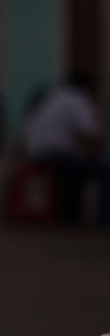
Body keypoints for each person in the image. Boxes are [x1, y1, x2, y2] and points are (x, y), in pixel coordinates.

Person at [21, 71, 103, 226]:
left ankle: (65, 215)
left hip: (34, 153)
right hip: (55, 156)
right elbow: (90, 137)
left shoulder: (54, 96)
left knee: (73, 167)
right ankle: (76, 219)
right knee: (88, 170)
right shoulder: (79, 100)